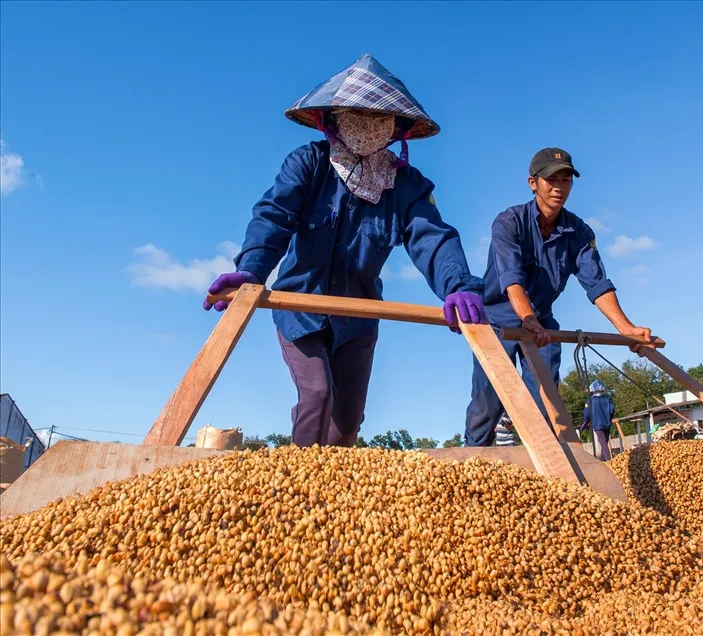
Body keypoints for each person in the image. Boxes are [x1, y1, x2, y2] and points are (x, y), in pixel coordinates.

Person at [203, 54, 487, 448]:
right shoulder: (309, 164)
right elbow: (274, 216)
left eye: (379, 118)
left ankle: (338, 497)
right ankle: (298, 485)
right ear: (334, 119)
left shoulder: (405, 185)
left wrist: (458, 284)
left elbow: (432, 237)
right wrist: (253, 269)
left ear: (395, 127)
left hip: (358, 314)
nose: (368, 126)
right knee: (317, 394)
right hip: (299, 307)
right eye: (357, 115)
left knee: (348, 421)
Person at [463, 148, 652, 446]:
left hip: (541, 321)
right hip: (498, 319)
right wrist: (527, 320)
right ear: (533, 183)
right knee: (488, 403)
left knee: (546, 401)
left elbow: (598, 283)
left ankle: (544, 463)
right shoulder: (508, 223)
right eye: (551, 180)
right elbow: (512, 279)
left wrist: (626, 328)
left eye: (566, 180)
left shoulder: (578, 231)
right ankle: (474, 459)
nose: (559, 187)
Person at [581, 381, 616, 461]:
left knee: (602, 443)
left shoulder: (590, 401)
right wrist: (609, 419)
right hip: (607, 423)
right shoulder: (607, 398)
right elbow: (612, 410)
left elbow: (587, 413)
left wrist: (585, 423)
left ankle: (609, 461)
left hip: (597, 424)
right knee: (605, 442)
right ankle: (602, 461)